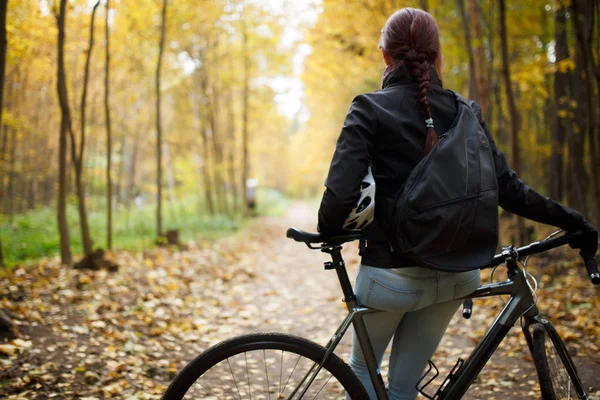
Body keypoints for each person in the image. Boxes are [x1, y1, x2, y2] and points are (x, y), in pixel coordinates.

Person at [316, 8, 598, 400]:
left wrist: (327, 230)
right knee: (403, 387)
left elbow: (339, 196)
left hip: (388, 279)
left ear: (385, 57)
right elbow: (510, 190)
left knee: (364, 369)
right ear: (437, 56)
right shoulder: (467, 114)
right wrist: (574, 220)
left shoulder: (368, 108)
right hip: (456, 277)